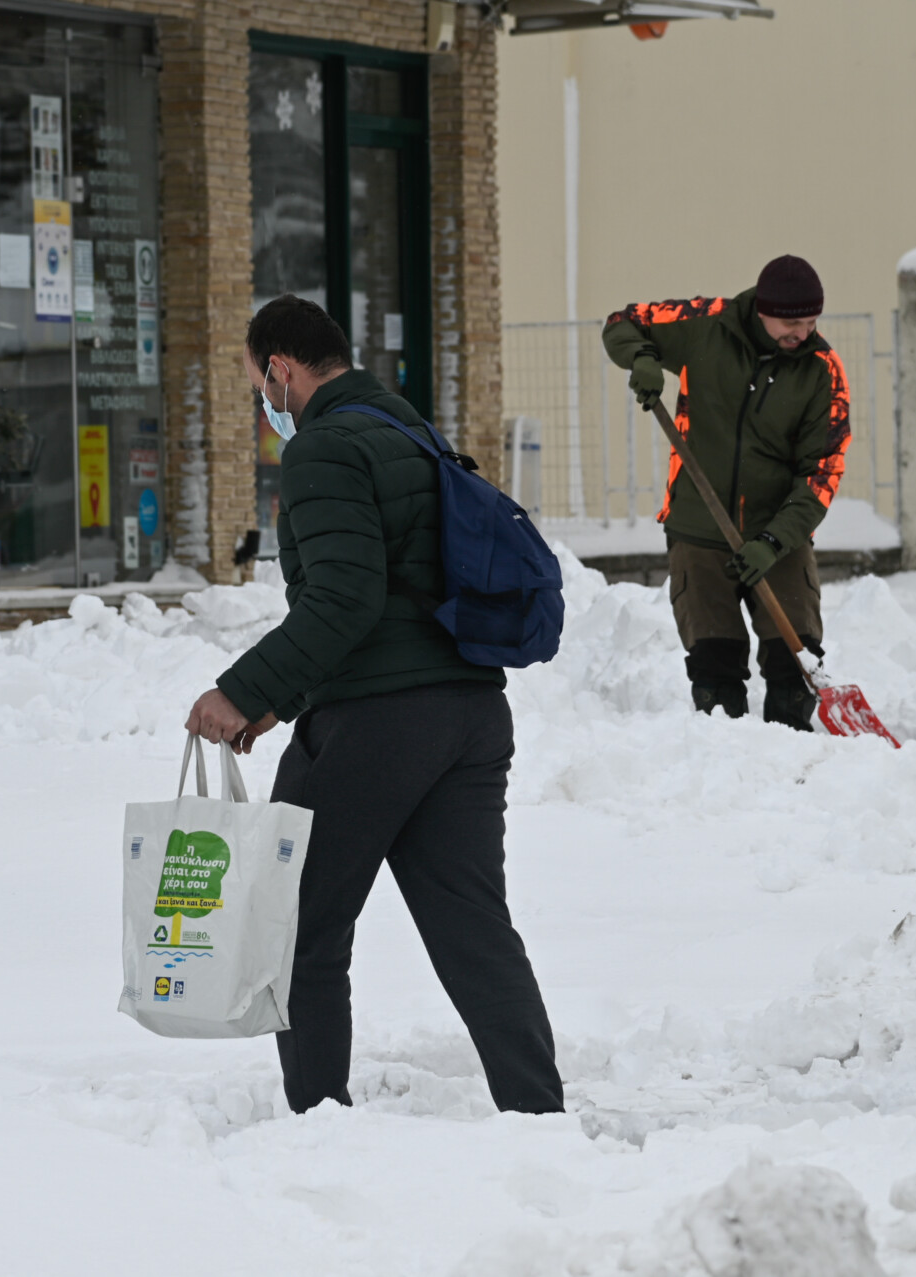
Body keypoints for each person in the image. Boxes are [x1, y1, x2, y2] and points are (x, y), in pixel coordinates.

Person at [184, 294, 565, 1117]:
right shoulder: (410, 433)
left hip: (377, 729)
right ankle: (538, 1114)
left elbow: (345, 603)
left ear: (281, 370)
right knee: (474, 930)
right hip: (467, 714)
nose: (264, 403)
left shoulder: (322, 449)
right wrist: (281, 705)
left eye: (259, 385)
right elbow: (393, 600)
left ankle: (319, 1122)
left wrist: (241, 691)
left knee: (300, 930)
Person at [602, 255, 852, 730]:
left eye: (811, 321)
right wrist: (643, 358)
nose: (802, 333)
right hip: (698, 527)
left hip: (779, 533)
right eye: (791, 322)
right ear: (762, 309)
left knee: (792, 661)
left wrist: (774, 541)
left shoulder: (822, 371)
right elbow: (624, 322)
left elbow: (822, 472)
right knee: (714, 665)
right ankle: (726, 771)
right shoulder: (705, 325)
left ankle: (790, 762)